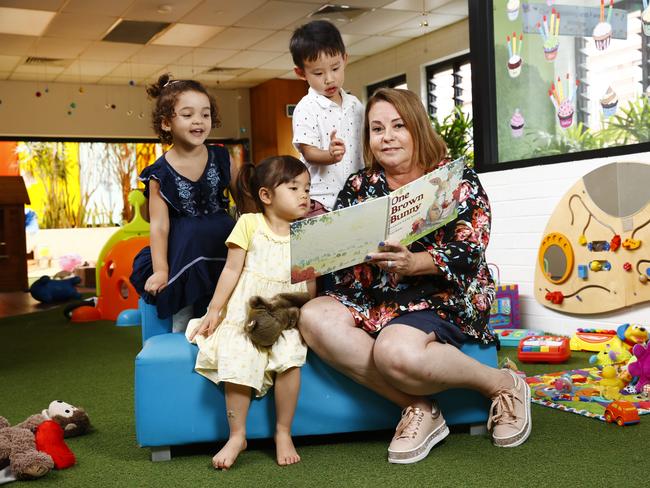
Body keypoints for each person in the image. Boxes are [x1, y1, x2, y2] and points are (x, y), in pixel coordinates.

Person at [298, 88, 531, 465]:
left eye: (397, 126)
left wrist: (415, 263)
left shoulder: (454, 177)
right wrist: (319, 243)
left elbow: (472, 246)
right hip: (375, 294)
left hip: (440, 292)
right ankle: (419, 408)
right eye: (376, 129)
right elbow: (341, 255)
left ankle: (503, 385)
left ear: (417, 128)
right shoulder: (360, 186)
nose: (386, 137)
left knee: (395, 352)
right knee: (312, 316)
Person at [187, 156, 316, 470]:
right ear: (267, 195)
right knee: (239, 356)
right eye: (294, 187)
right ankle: (237, 435)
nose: (304, 195)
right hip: (247, 315)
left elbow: (309, 288)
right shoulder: (249, 223)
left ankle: (283, 432)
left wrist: (295, 314)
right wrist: (214, 311)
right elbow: (231, 271)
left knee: (290, 361)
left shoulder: (308, 233)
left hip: (284, 316)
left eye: (308, 188)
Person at [130, 74, 236, 332]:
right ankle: (182, 338)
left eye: (205, 114)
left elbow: (244, 199)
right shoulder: (159, 174)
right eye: (188, 115)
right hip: (185, 249)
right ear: (167, 123)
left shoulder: (222, 157)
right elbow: (159, 227)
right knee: (185, 309)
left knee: (229, 307)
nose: (198, 121)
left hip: (222, 242)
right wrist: (161, 271)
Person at [290, 20, 364, 214]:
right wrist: (329, 156)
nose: (329, 79)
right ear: (301, 73)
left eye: (335, 68)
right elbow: (308, 152)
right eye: (318, 73)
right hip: (322, 200)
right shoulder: (306, 108)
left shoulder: (355, 104)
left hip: (357, 195)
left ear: (345, 59)